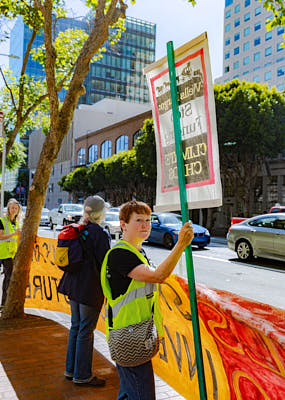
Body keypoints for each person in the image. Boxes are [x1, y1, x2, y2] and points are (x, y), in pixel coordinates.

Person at [101, 201, 194, 400]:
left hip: (138, 331)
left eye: (148, 220)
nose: (145, 225)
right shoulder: (120, 254)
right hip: (129, 334)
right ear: (123, 224)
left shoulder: (138, 252)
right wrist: (181, 245)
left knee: (129, 391)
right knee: (141, 394)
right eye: (139, 220)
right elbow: (158, 276)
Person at [58, 195, 111, 387]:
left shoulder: (77, 229)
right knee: (86, 331)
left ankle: (70, 370)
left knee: (76, 327)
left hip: (73, 285)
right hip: (90, 288)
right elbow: (105, 263)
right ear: (100, 212)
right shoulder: (100, 233)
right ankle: (82, 375)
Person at [0, 198, 21, 307]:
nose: (13, 210)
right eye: (12, 208)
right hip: (3, 253)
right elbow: (0, 236)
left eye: (16, 208)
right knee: (8, 278)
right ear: (8, 208)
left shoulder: (16, 222)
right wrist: (14, 234)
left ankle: (5, 302)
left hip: (11, 253)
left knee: (9, 277)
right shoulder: (2, 220)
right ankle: (4, 303)